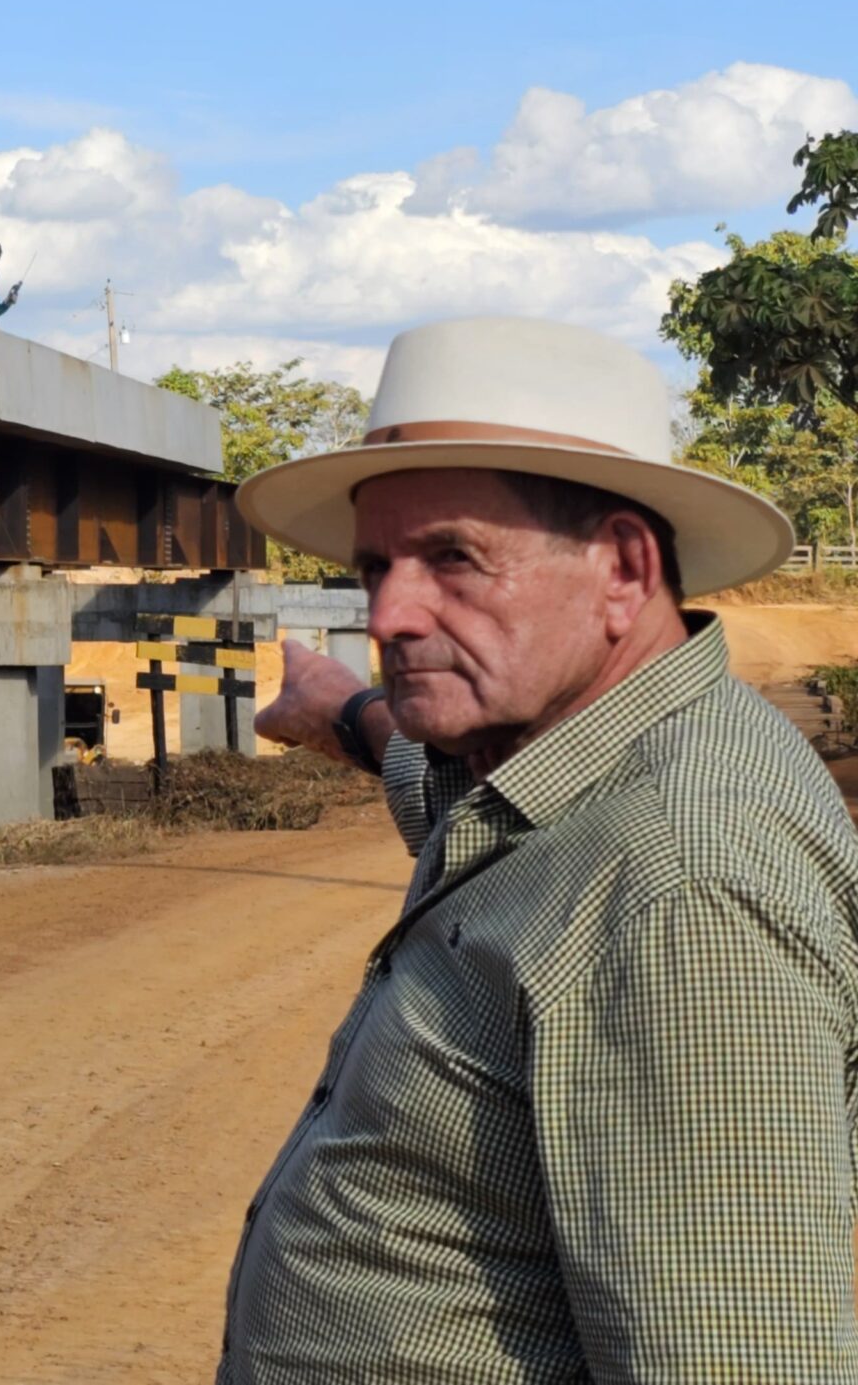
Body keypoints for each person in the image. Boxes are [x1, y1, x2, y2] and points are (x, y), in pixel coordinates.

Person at [223, 315, 858, 1380]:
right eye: (375, 564)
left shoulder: (685, 885)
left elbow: (735, 1359)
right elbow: (479, 831)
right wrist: (346, 716)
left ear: (619, 565)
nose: (388, 608)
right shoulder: (571, 763)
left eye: (452, 558)